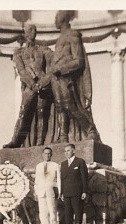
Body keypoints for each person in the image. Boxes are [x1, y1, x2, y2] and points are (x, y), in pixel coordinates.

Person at [43, 10, 101, 143]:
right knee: (59, 107)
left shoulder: (73, 35)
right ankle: (63, 136)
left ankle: (90, 130)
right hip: (56, 78)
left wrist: (61, 69)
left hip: (66, 77)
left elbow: (79, 61)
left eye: (56, 18)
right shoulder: (60, 39)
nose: (54, 22)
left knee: (71, 106)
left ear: (63, 19)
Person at [3, 24, 52, 148]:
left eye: (35, 30)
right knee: (23, 114)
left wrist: (43, 82)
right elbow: (21, 71)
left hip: (43, 86)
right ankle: (16, 141)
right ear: (25, 33)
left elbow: (52, 66)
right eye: (30, 30)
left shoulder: (43, 50)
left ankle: (40, 143)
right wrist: (32, 84)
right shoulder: (19, 53)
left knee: (42, 114)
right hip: (29, 88)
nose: (33, 32)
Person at [60, 143, 88, 224]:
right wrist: (62, 192)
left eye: (68, 151)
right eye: (65, 151)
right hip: (66, 193)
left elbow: (84, 177)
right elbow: (62, 179)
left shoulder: (80, 161)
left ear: (73, 151)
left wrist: (84, 191)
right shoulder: (63, 164)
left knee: (78, 214)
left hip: (77, 193)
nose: (66, 153)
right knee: (67, 215)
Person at [34, 147, 61, 224]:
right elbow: (37, 180)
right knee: (42, 212)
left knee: (52, 211)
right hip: (41, 192)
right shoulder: (39, 166)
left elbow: (59, 179)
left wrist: (59, 192)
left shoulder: (55, 165)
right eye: (45, 153)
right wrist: (36, 192)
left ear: (51, 155)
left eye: (49, 153)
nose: (47, 155)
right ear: (43, 155)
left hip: (51, 191)